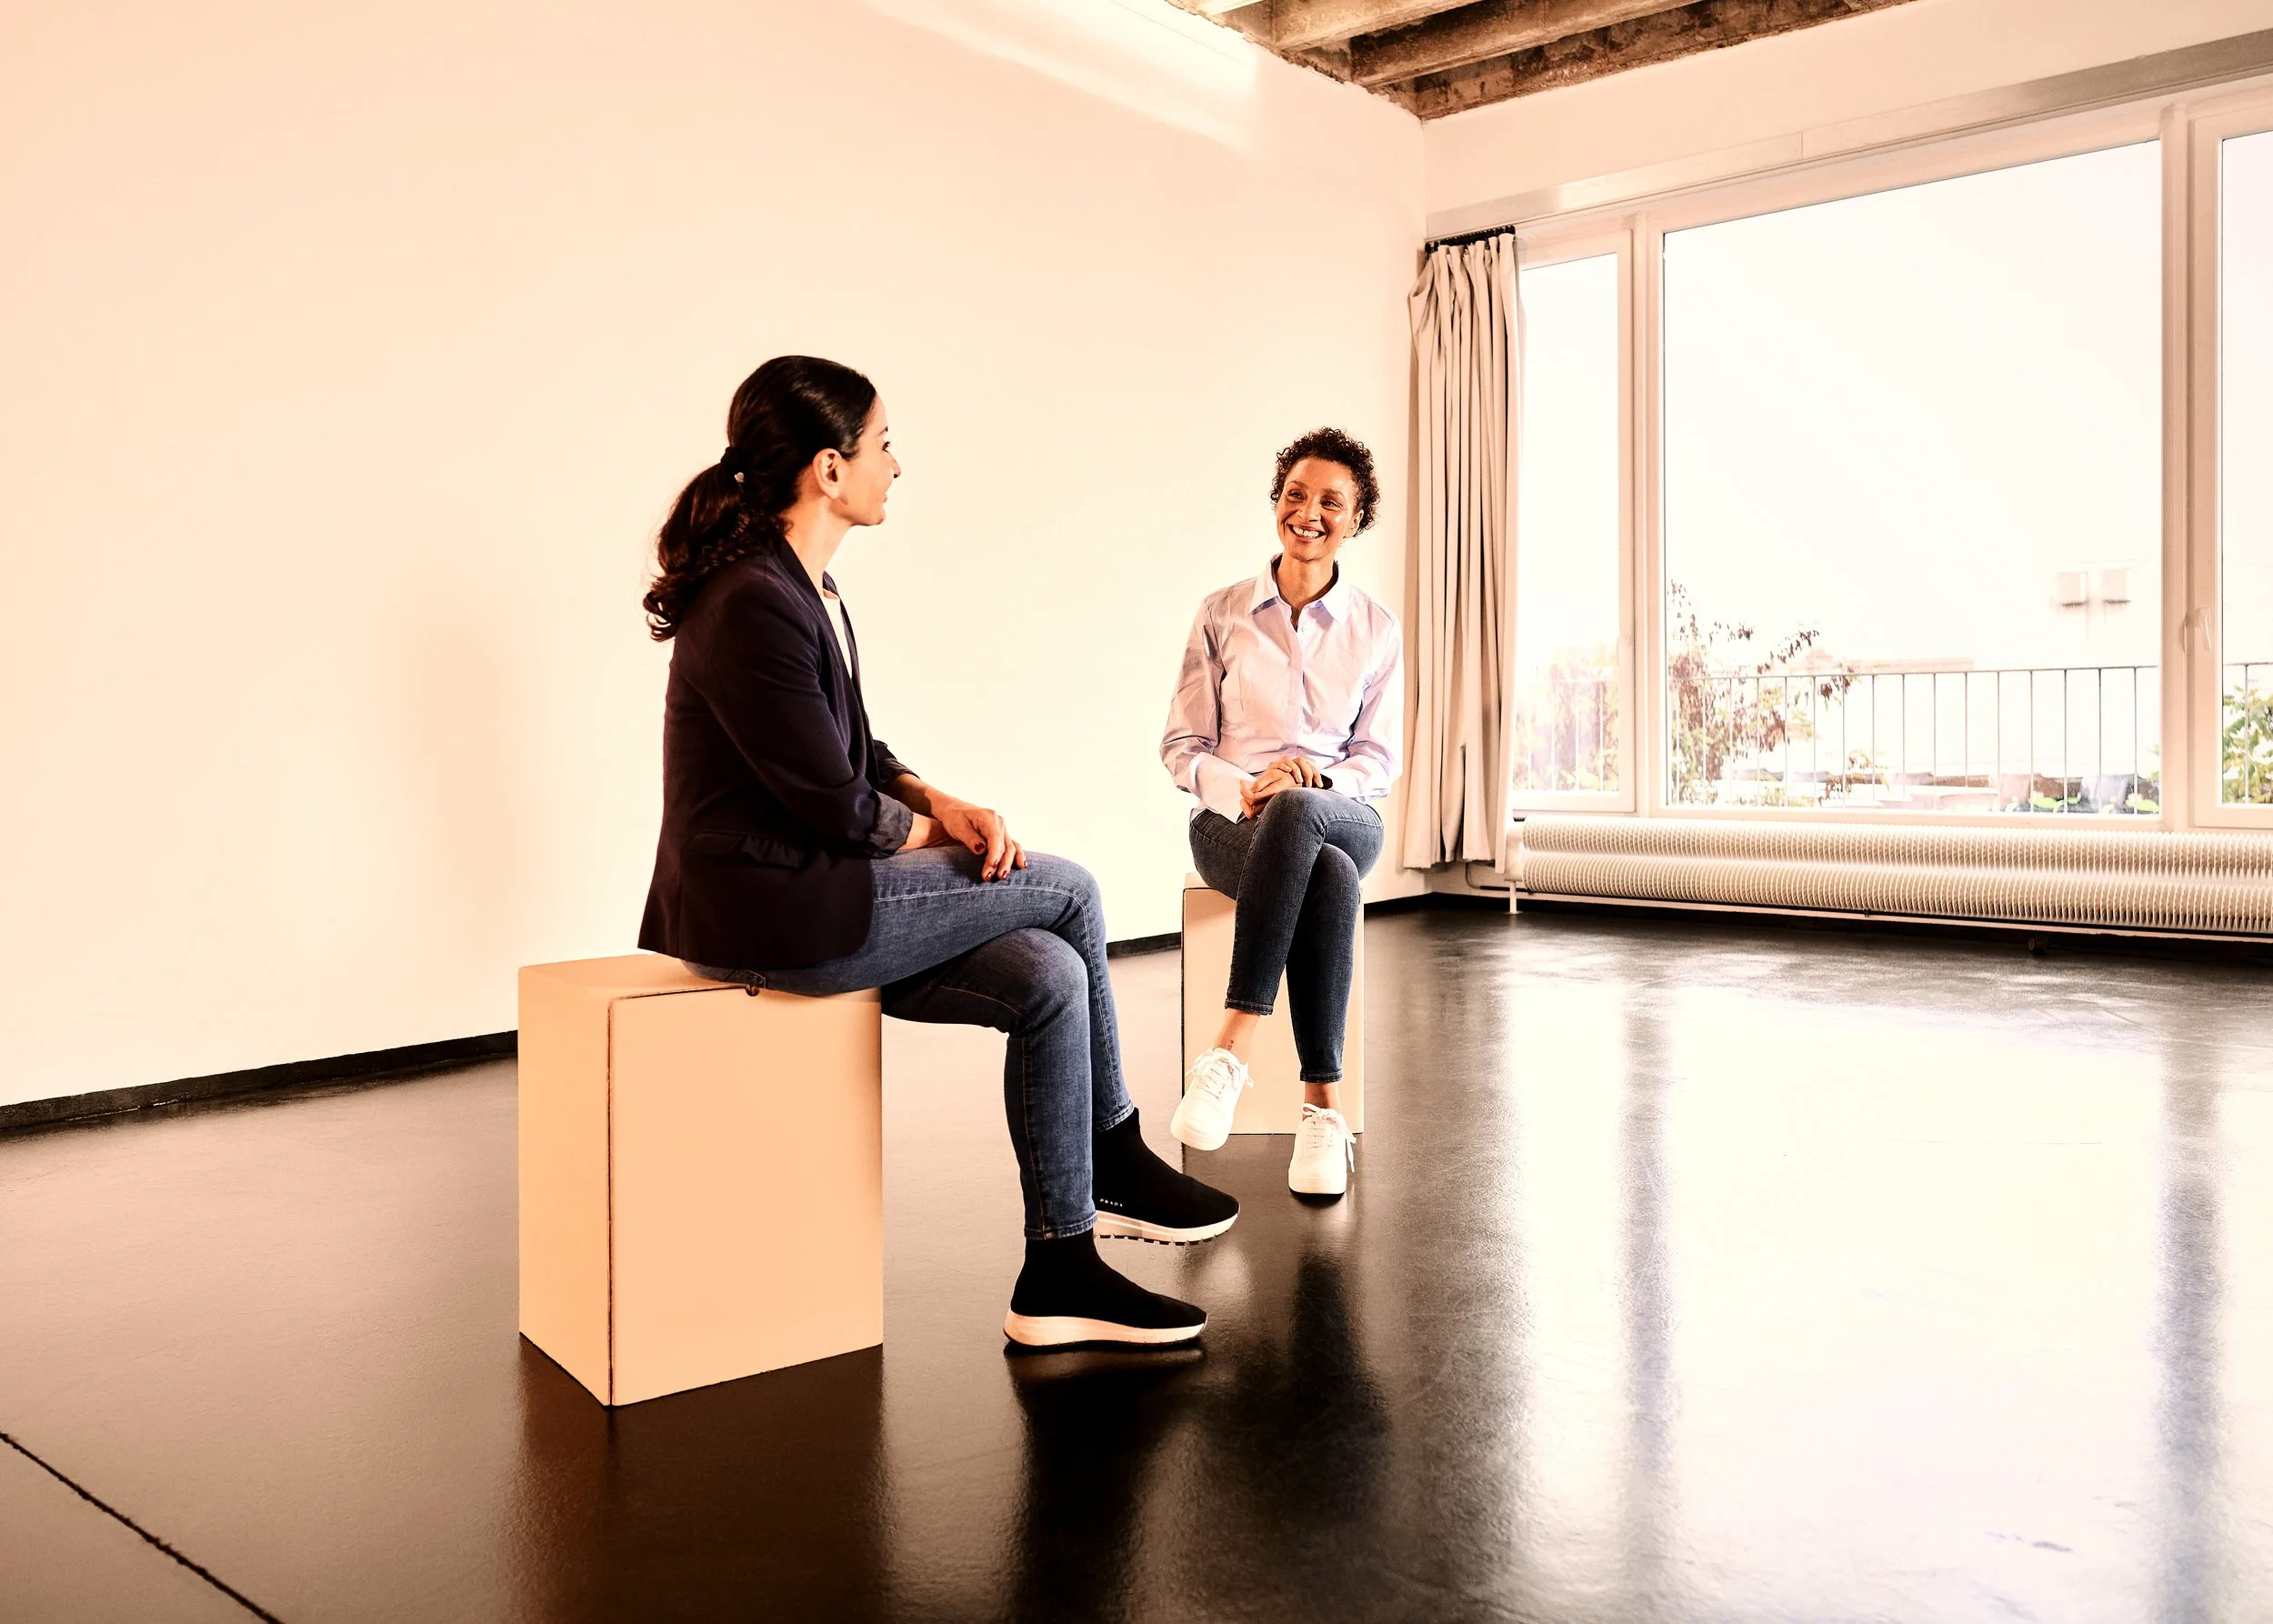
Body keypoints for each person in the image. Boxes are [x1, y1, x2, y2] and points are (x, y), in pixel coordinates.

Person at [639, 356, 1237, 1349]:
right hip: (768, 914)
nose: (895, 465)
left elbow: (857, 757)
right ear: (829, 469)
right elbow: (835, 806)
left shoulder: (805, 589)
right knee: (1072, 889)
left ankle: (1059, 1269)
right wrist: (933, 832)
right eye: (882, 445)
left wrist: (935, 797)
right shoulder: (752, 601)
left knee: (1047, 971)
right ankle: (1115, 1149)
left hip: (817, 891)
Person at [1160, 428, 1403, 1198]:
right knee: (1325, 872)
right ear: (1278, 504)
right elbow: (1182, 746)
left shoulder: (1377, 628)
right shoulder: (1220, 613)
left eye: (1331, 501)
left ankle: (1229, 1053)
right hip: (1232, 825)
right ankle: (1321, 1112)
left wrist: (1314, 787)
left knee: (1310, 818)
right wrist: (1248, 788)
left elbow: (1378, 759)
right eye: (1296, 494)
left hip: (1342, 812)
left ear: (1355, 520)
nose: (1309, 512)